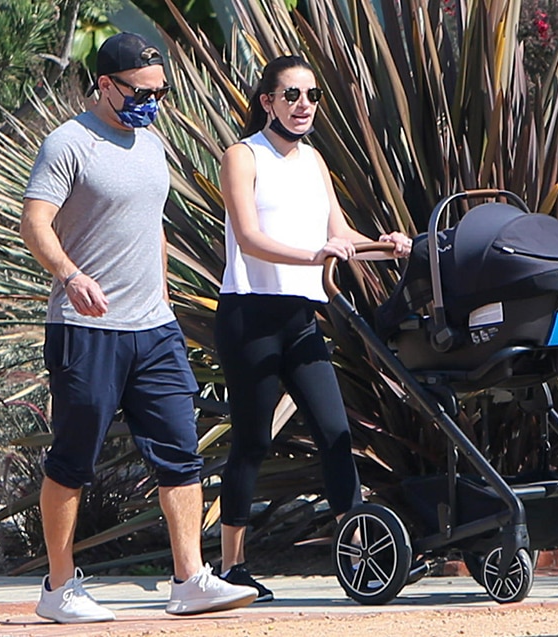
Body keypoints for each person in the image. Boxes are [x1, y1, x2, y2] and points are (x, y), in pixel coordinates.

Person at [20, 32, 257, 624]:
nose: (153, 103)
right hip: (86, 328)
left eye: (161, 92)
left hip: (153, 328)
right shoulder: (68, 144)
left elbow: (152, 224)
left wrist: (165, 298)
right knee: (74, 458)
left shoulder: (152, 146)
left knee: (181, 453)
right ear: (105, 84)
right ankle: (58, 586)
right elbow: (35, 222)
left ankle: (189, 580)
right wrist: (70, 274)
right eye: (141, 92)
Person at [215, 54, 412, 601]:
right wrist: (315, 254)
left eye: (312, 96)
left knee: (335, 433)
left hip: (301, 316)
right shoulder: (243, 155)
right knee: (253, 440)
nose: (304, 106)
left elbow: (339, 234)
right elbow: (250, 237)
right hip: (250, 313)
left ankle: (358, 555)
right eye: (292, 95)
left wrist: (384, 245)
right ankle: (233, 567)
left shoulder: (314, 161)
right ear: (267, 102)